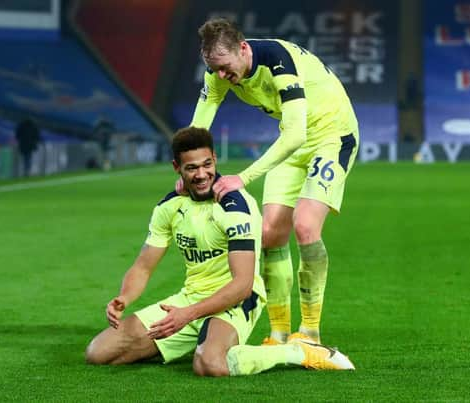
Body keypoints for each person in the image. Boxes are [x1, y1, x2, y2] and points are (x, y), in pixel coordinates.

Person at [85, 127, 354, 376]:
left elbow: (243, 284)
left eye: (207, 165)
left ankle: (298, 352)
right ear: (176, 168)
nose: (201, 175)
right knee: (99, 353)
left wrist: (188, 315)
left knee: (209, 364)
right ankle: (200, 338)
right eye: (191, 168)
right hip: (190, 299)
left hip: (235, 302)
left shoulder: (236, 206)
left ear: (215, 158)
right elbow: (143, 267)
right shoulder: (169, 207)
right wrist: (124, 297)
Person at [188, 18, 360, 345]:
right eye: (214, 69)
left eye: (225, 68)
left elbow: (296, 134)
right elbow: (201, 121)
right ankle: (279, 333)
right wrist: (188, 169)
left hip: (332, 136)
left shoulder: (277, 59)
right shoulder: (218, 71)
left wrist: (243, 177)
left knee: (306, 226)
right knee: (269, 234)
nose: (221, 77)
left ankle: (310, 331)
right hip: (292, 141)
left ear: (243, 49)